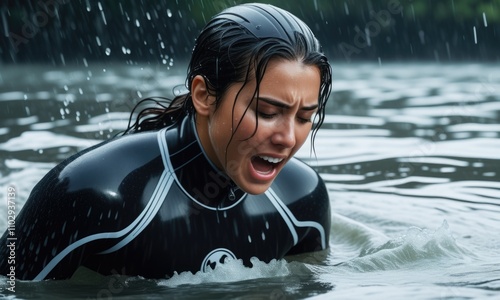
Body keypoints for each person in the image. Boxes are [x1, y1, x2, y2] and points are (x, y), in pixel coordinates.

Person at [0, 3, 332, 280]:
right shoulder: (91, 194)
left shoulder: (302, 201)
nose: (288, 138)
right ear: (203, 95)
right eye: (267, 111)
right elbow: (10, 288)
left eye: (305, 118)